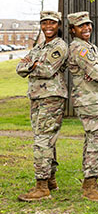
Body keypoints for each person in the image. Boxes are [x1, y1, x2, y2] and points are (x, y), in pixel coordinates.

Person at [16, 11, 68, 202]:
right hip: (37, 97)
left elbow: (48, 69)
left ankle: (42, 186)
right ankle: (51, 180)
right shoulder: (39, 47)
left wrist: (33, 65)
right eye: (44, 23)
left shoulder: (60, 46)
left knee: (43, 140)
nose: (48, 26)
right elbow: (19, 68)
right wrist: (33, 63)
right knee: (44, 139)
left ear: (58, 25)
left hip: (51, 97)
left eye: (52, 23)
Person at [67, 11, 98, 202]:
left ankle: (91, 178)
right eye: (81, 26)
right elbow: (97, 73)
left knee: (93, 138)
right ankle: (90, 186)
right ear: (73, 30)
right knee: (96, 139)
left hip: (96, 98)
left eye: (88, 25)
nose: (86, 28)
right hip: (88, 100)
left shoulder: (90, 47)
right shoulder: (79, 48)